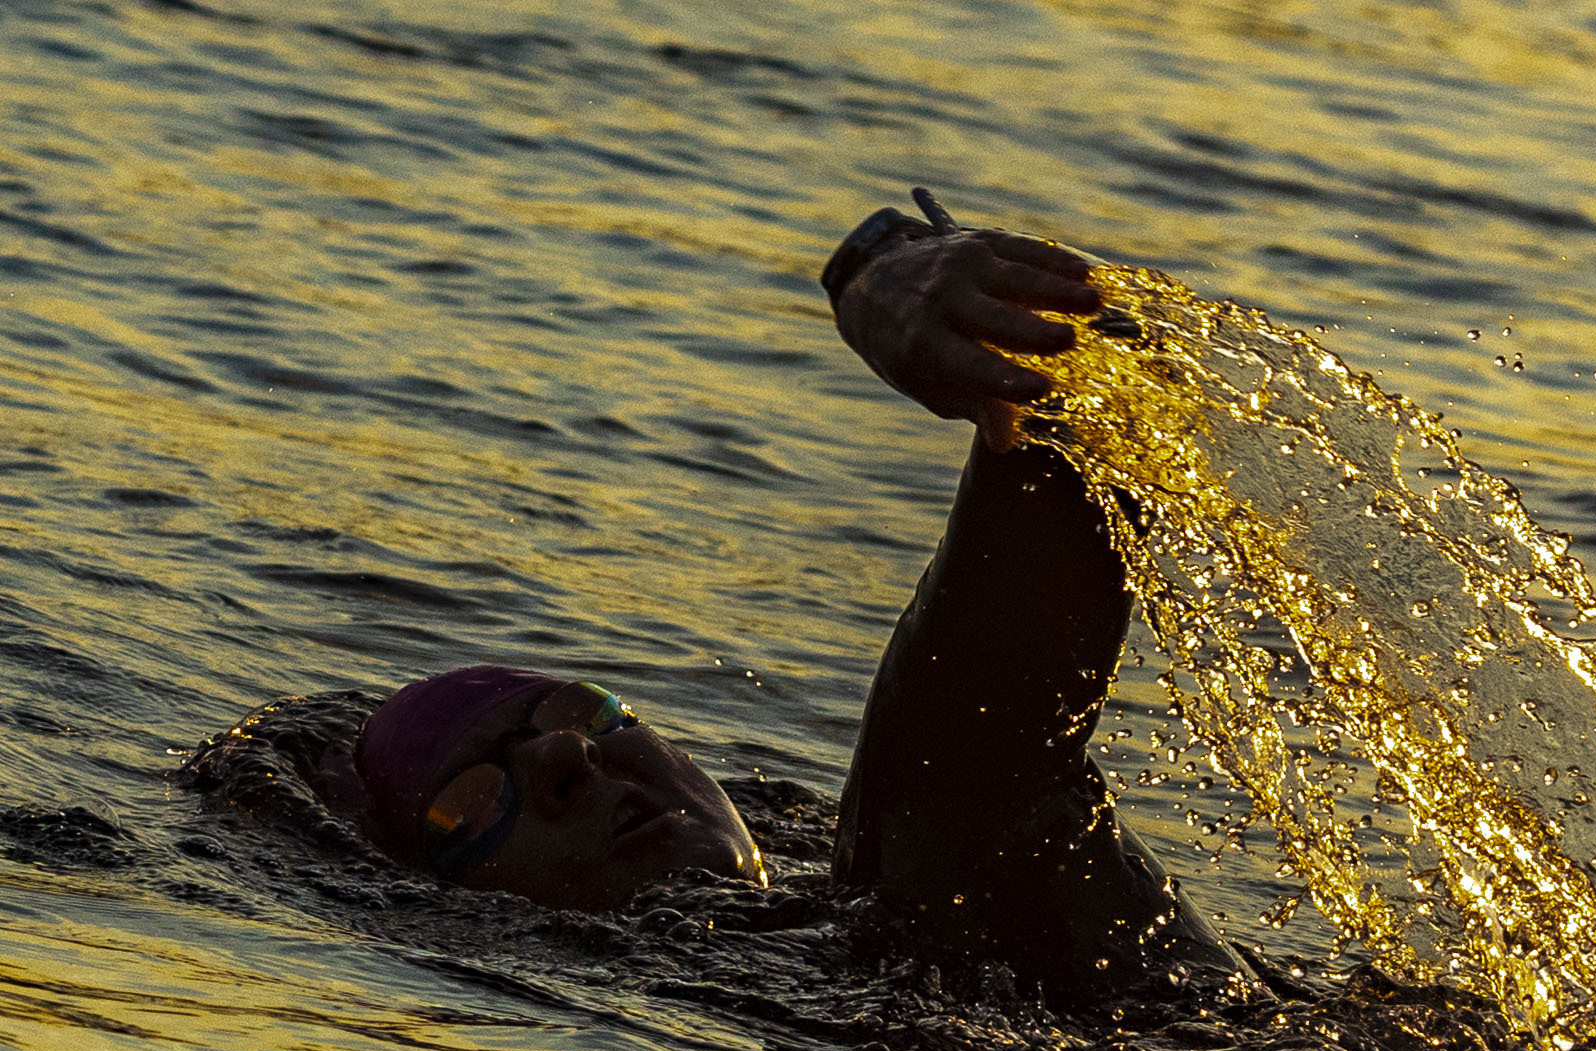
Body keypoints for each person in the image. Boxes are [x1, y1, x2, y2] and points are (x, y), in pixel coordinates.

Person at [189, 192, 1245, 1006]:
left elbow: (1103, 374)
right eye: (472, 797)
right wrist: (880, 272)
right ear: (444, 903)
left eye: (586, 710)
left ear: (696, 759)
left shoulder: (916, 878)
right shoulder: (904, 903)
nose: (564, 758)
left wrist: (879, 260)